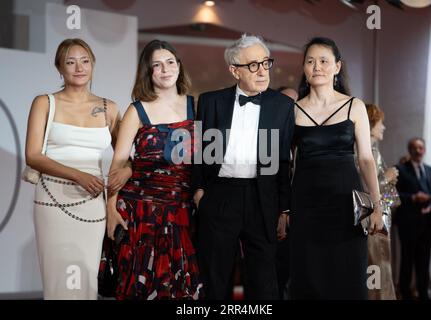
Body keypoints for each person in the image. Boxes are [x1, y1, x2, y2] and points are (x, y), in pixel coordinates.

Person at [25, 38, 129, 299]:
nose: (79, 67)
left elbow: (124, 157)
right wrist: (78, 175)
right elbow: (32, 156)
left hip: (93, 201)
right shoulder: (45, 102)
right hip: (53, 198)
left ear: (92, 64)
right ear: (59, 68)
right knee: (58, 279)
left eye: (85, 61)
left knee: (87, 278)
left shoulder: (109, 107)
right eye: (70, 62)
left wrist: (126, 172)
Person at [192, 34, 294, 299]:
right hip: (220, 197)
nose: (262, 71)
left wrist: (284, 208)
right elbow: (198, 152)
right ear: (234, 70)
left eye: (266, 63)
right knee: (215, 278)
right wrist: (199, 191)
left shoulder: (283, 106)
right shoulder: (210, 101)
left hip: (263, 199)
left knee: (264, 282)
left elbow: (283, 161)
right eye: (253, 65)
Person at [106, 40, 203, 300]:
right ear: (148, 73)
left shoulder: (198, 107)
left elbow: (206, 162)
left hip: (183, 212)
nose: (165, 69)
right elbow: (118, 164)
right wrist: (111, 210)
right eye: (156, 65)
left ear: (179, 67)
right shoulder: (137, 110)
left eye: (170, 62)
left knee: (183, 291)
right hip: (141, 212)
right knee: (141, 288)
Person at [289, 37, 383, 300]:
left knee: (348, 276)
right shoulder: (293, 110)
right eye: (310, 61)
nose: (317, 66)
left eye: (323, 61)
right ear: (305, 69)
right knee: (307, 275)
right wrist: (284, 209)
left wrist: (377, 205)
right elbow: (288, 163)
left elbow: (365, 159)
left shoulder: (355, 106)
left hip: (346, 204)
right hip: (305, 204)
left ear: (337, 67)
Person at [395, 138, 431, 300]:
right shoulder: (399, 169)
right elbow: (392, 196)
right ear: (410, 150)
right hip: (408, 224)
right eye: (415, 148)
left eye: (421, 148)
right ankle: (405, 293)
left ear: (424, 150)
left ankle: (423, 293)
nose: (418, 151)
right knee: (407, 261)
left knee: (423, 261)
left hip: (427, 224)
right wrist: (413, 198)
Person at [365, 103, 398, 299]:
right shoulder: (366, 152)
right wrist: (386, 177)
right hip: (373, 220)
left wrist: (388, 180)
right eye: (380, 123)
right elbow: (364, 190)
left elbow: (386, 196)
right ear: (370, 125)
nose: (383, 127)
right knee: (376, 268)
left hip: (381, 219)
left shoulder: (373, 150)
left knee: (381, 268)